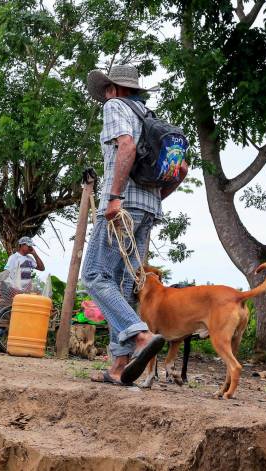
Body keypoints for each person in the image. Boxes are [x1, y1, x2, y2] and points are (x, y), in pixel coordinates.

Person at [82, 64, 188, 385]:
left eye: (105, 91)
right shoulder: (149, 116)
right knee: (124, 286)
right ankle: (119, 366)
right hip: (147, 209)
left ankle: (140, 335)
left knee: (95, 275)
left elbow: (126, 146)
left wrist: (115, 196)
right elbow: (180, 170)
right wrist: (154, 200)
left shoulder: (115, 107)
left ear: (113, 89)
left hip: (121, 207)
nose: (104, 97)